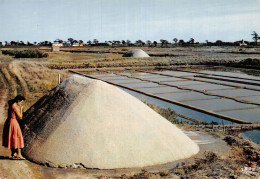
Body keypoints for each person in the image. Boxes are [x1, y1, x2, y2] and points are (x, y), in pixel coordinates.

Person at [2, 95, 26, 159]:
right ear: (18, 101)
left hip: (9, 121)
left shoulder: (11, 105)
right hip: (13, 122)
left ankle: (13, 153)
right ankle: (19, 154)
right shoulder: (14, 106)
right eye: (21, 102)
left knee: (12, 137)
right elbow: (20, 117)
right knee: (17, 137)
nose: (21, 103)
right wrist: (21, 109)